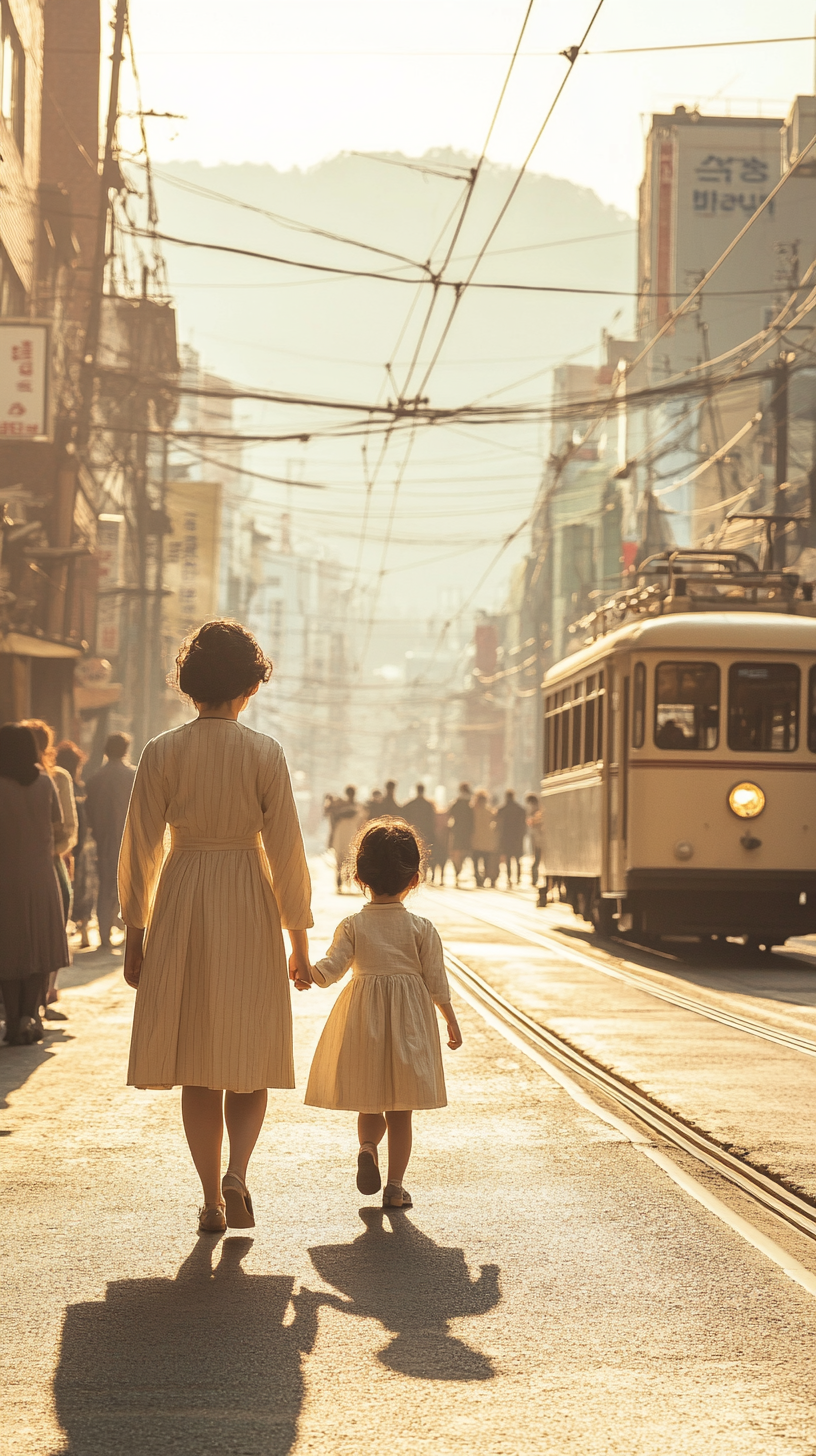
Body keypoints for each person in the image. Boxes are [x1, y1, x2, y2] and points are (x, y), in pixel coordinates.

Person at [119, 620, 313, 1235]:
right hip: (249, 902)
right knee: (249, 1053)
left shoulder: (161, 752)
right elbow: (286, 852)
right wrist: (299, 940)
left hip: (182, 897)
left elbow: (140, 848)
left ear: (190, 684)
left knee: (196, 1057)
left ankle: (209, 1199)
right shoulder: (265, 753)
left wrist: (133, 929)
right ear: (248, 687)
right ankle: (239, 1173)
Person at [299, 819, 462, 1209]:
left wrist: (307, 971)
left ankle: (368, 1146)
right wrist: (451, 1021)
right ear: (415, 878)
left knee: (369, 1101)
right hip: (408, 1024)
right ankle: (395, 1186)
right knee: (400, 1109)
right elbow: (436, 981)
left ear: (359, 877)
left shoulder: (353, 925)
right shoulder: (421, 928)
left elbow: (332, 968)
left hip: (363, 1021)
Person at [0, 724, 68, 1045]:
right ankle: (32, 1014)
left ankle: (13, 1021)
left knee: (9, 951)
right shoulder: (45, 784)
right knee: (40, 948)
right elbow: (61, 832)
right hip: (42, 876)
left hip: (5, 880)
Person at [23, 719, 78, 922]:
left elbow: (69, 830)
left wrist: (49, 853)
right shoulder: (7, 781)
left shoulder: (58, 778)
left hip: (50, 863)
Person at [85, 733, 136, 950]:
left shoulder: (96, 778)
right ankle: (129, 935)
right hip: (131, 841)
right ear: (126, 750)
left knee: (105, 887)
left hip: (104, 841)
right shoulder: (133, 775)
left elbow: (89, 813)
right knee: (131, 888)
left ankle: (104, 935)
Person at [56, 740, 94, 950]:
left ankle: (82, 929)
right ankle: (82, 929)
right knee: (79, 889)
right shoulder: (66, 784)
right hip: (71, 847)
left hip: (74, 846)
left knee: (76, 889)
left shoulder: (76, 785)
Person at [329, 785, 365, 891]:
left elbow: (361, 822)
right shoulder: (340, 805)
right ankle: (340, 879)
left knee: (349, 856)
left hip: (349, 832)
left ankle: (347, 880)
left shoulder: (357, 806)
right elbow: (333, 819)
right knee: (340, 856)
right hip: (342, 832)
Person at [495, 789, 527, 888]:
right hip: (517, 837)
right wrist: (522, 835)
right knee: (517, 859)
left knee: (508, 859)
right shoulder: (520, 809)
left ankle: (509, 878)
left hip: (506, 838)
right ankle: (518, 878)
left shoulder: (501, 810)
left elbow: (498, 826)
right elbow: (523, 825)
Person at [447, 782, 474, 887]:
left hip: (457, 830)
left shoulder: (456, 802)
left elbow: (450, 813)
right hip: (466, 831)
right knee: (463, 852)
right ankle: (459, 870)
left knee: (456, 852)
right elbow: (472, 820)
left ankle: (457, 870)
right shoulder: (470, 804)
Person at [401, 782, 436, 858]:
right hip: (425, 831)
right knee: (424, 851)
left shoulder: (410, 804)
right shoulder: (428, 805)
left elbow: (403, 817)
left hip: (413, 830)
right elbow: (432, 820)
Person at [471, 789, 498, 888]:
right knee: (486, 863)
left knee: (476, 862)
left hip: (475, 841)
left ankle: (478, 879)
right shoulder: (489, 811)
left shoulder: (472, 811)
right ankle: (484, 878)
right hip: (487, 842)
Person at [525, 793, 543, 889]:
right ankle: (535, 878)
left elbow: (533, 824)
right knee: (537, 860)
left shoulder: (535, 812)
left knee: (536, 859)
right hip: (537, 839)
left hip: (537, 840)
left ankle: (535, 878)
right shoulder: (538, 810)